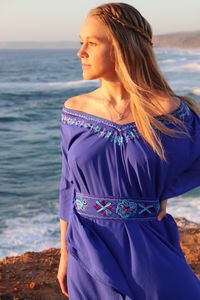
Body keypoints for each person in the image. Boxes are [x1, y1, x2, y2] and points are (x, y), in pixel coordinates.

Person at [57, 2, 200, 299]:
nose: (80, 52)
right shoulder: (74, 110)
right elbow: (68, 186)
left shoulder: (172, 112)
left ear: (122, 47)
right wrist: (64, 254)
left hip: (149, 251)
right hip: (87, 251)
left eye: (91, 43)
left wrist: (163, 188)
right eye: (80, 42)